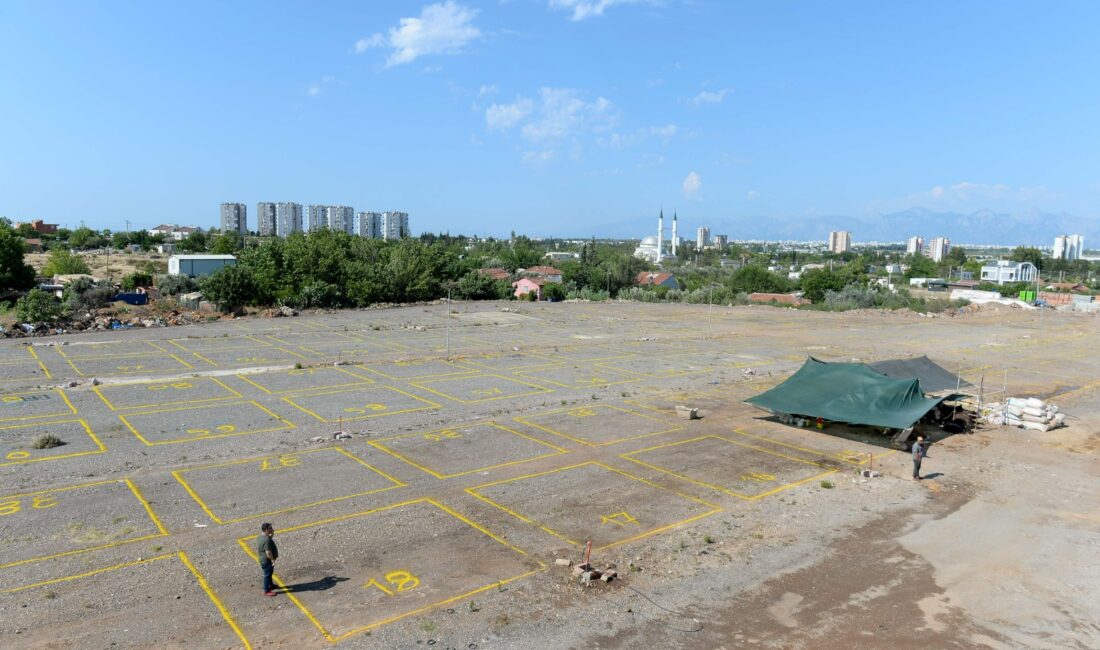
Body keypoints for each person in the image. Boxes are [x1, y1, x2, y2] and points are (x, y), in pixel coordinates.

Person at [257, 522, 278, 596]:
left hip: (264, 560)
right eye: (270, 528)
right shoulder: (266, 540)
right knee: (267, 574)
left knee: (270, 573)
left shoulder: (261, 537)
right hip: (266, 560)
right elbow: (268, 552)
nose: (272, 529)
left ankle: (270, 585)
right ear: (266, 530)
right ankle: (267, 590)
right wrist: (272, 560)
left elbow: (268, 540)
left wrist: (272, 535)